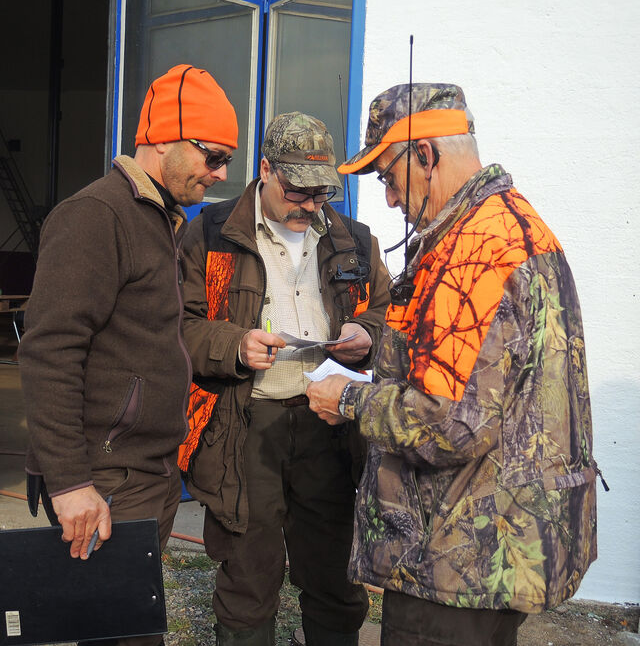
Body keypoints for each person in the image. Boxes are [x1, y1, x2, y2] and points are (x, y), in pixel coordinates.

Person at [306, 84, 600, 646]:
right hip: (498, 544)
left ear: (425, 154)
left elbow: (447, 424)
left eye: (388, 178)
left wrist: (347, 398)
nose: (390, 199)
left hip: (455, 559)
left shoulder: (476, 253)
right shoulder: (516, 226)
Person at [18, 64, 237, 646]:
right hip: (104, 476)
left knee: (128, 629)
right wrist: (69, 482)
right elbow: (50, 351)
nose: (220, 173)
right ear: (165, 137)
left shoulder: (160, 219)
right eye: (213, 156)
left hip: (146, 471)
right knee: (118, 635)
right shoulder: (98, 215)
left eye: (227, 161)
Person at [180, 111, 390, 645]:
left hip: (331, 428)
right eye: (298, 192)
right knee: (248, 575)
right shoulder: (210, 235)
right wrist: (234, 345)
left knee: (335, 576)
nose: (310, 206)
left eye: (321, 194)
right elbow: (177, 326)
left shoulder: (354, 241)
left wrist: (367, 335)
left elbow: (390, 317)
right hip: (245, 426)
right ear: (266, 170)